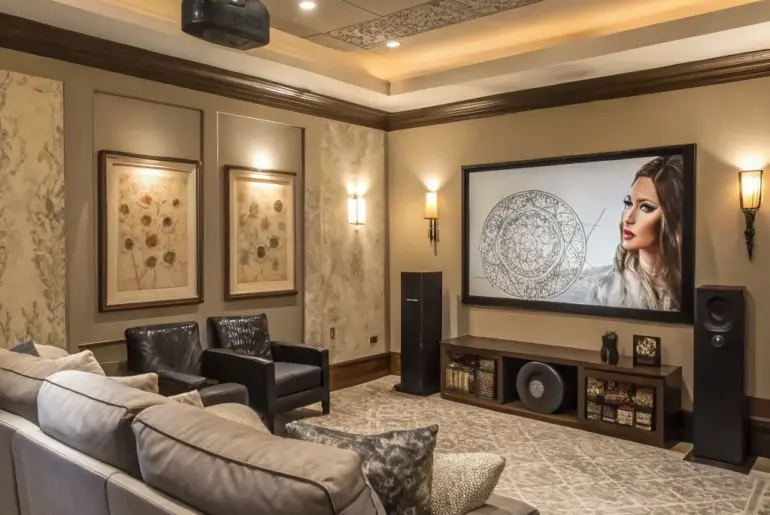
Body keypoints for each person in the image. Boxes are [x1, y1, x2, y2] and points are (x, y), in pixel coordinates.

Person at [587, 155, 685, 311]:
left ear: (674, 217)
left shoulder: (690, 284)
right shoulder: (603, 289)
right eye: (628, 203)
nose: (628, 218)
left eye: (645, 207)